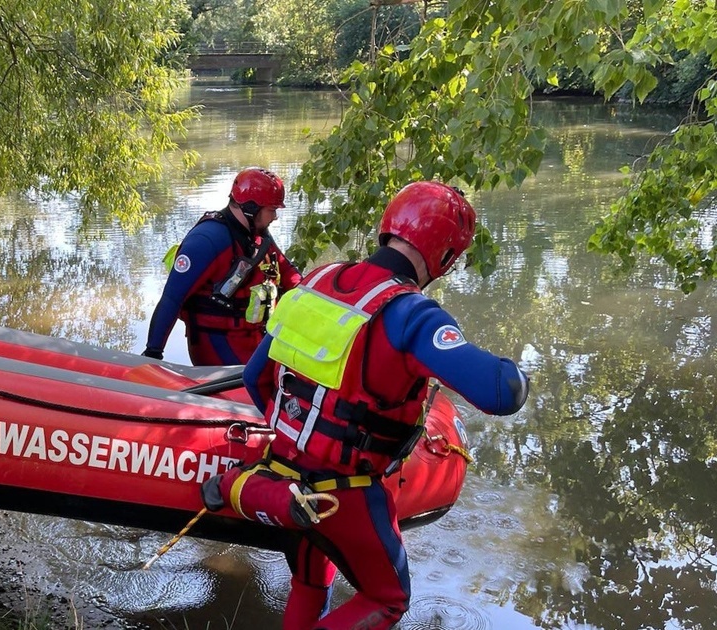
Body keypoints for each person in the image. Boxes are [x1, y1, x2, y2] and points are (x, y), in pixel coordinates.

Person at [201, 181, 530, 629]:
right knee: (388, 598)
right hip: (346, 493)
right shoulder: (413, 314)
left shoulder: (315, 281)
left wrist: (299, 438)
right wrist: (519, 377)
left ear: (388, 227)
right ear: (446, 256)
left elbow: (260, 378)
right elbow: (500, 392)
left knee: (312, 582)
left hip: (283, 474)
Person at [142, 167, 302, 366]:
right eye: (272, 210)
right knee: (263, 389)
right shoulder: (207, 241)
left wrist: (307, 293)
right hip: (217, 344)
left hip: (254, 339)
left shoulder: (257, 234)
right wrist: (153, 354)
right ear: (251, 208)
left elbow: (286, 271)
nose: (275, 216)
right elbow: (171, 300)